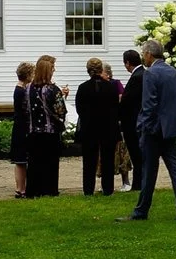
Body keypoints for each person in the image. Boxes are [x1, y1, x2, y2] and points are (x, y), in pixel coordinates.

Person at [124, 40, 176, 220]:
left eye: (143, 53)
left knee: (149, 172)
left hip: (154, 130)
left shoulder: (151, 73)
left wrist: (143, 128)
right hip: (171, 128)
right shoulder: (173, 72)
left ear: (148, 54)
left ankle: (141, 210)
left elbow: (149, 104)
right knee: (175, 169)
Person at [20, 56, 67, 197]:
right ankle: (50, 190)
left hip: (33, 131)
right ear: (48, 70)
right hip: (50, 131)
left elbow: (25, 109)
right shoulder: (53, 89)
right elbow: (61, 110)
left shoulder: (28, 89)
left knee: (34, 162)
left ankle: (33, 190)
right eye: (53, 68)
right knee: (51, 163)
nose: (54, 70)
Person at [74, 58, 122, 196]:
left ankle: (88, 189)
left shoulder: (83, 88)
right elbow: (115, 108)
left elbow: (79, 109)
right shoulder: (111, 87)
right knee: (108, 159)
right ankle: (108, 188)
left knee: (89, 160)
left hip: (90, 128)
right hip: (108, 127)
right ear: (101, 69)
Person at [117, 48, 146, 191]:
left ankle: (138, 185)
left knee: (136, 155)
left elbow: (127, 102)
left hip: (133, 123)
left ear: (128, 63)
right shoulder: (144, 74)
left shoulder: (136, 77)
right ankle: (139, 183)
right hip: (140, 121)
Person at [8, 60, 35, 199]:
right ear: (29, 74)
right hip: (23, 127)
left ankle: (20, 188)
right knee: (22, 160)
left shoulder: (18, 89)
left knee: (20, 161)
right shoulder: (22, 91)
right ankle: (22, 188)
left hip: (18, 126)